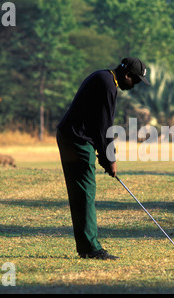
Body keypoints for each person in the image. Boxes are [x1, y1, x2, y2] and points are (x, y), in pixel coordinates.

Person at [56, 57, 150, 260]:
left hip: (74, 137)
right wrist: (110, 159)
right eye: (135, 81)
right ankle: (90, 248)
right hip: (77, 141)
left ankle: (86, 246)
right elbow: (105, 128)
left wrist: (103, 156)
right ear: (127, 76)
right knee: (85, 193)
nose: (134, 86)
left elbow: (96, 122)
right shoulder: (108, 86)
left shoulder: (103, 77)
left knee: (82, 193)